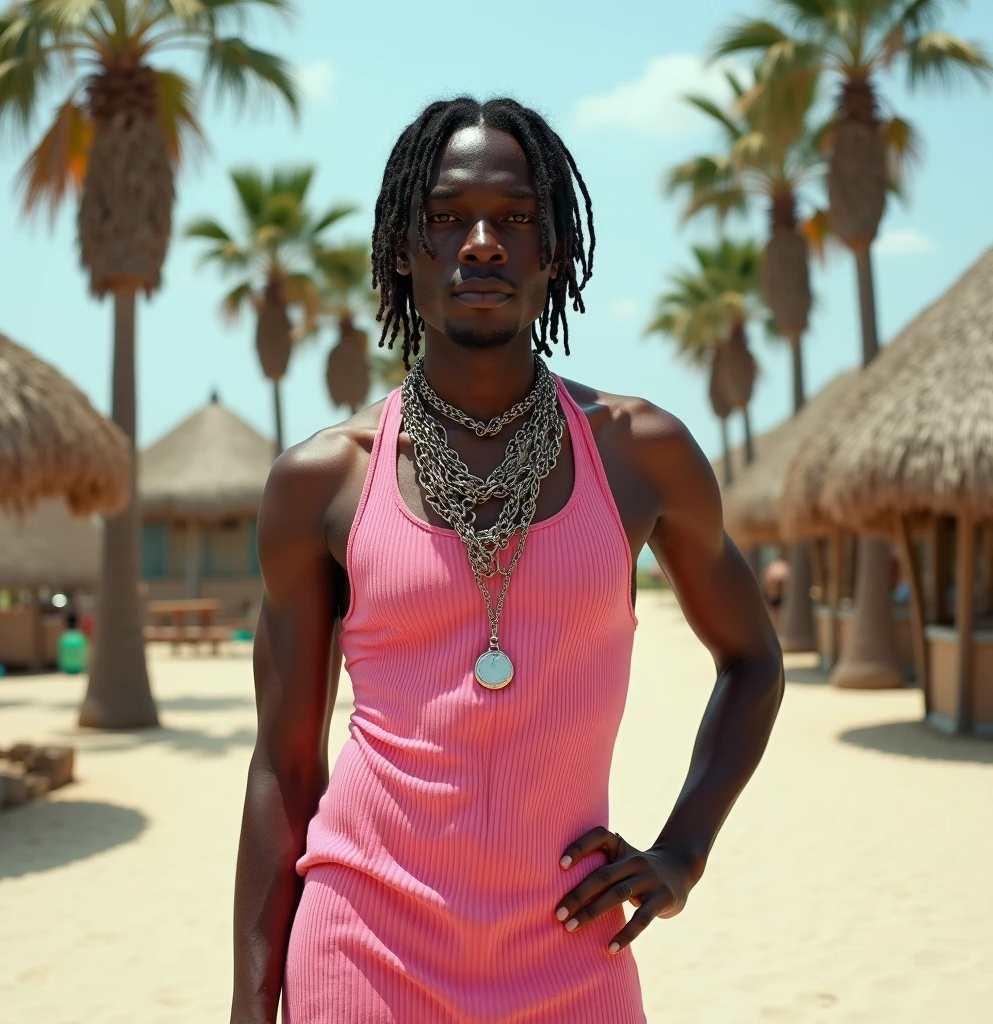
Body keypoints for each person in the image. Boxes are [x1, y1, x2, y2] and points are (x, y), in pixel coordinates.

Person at [232, 97, 784, 1024]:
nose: (481, 243)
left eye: (517, 218)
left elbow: (753, 660)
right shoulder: (323, 481)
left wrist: (683, 851)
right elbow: (284, 769)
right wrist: (251, 1010)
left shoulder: (640, 453)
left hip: (572, 946)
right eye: (447, 218)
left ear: (552, 251)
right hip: (363, 942)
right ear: (405, 251)